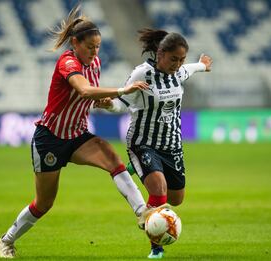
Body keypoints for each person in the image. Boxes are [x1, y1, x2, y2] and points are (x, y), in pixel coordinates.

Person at [0, 5, 150, 258]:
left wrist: (104, 103)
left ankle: (143, 212)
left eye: (98, 47)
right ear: (75, 43)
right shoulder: (67, 61)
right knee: (44, 204)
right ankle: (6, 240)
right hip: (50, 139)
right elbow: (85, 90)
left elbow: (89, 97)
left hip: (77, 135)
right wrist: (122, 91)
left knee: (112, 159)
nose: (94, 52)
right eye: (90, 47)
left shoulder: (95, 62)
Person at [96, 28, 213, 259]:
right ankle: (155, 246)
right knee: (158, 191)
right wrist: (109, 104)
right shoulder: (142, 74)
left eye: (181, 60)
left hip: (172, 145)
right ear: (160, 54)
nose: (178, 64)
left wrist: (202, 65)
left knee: (176, 199)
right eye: (173, 59)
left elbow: (190, 69)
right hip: (143, 142)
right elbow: (123, 102)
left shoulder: (179, 73)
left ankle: (135, 169)